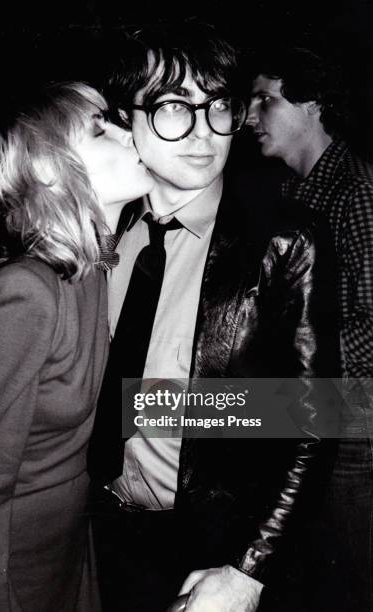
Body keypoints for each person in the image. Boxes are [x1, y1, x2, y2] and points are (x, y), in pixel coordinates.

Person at [87, 25, 339, 612]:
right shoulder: (100, 230)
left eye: (218, 105)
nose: (203, 132)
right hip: (97, 532)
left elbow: (315, 417)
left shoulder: (284, 238)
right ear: (128, 120)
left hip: (215, 553)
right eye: (175, 106)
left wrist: (250, 569)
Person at [0, 81, 154, 612]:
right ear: (50, 170)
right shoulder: (23, 294)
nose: (132, 134)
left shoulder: (92, 272)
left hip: (68, 554)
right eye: (103, 129)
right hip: (8, 573)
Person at [246, 47, 373, 612]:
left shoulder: (354, 192)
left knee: (345, 581)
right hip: (307, 413)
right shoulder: (291, 191)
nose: (250, 115)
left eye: (264, 100)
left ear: (312, 105)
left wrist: (296, 364)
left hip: (351, 421)